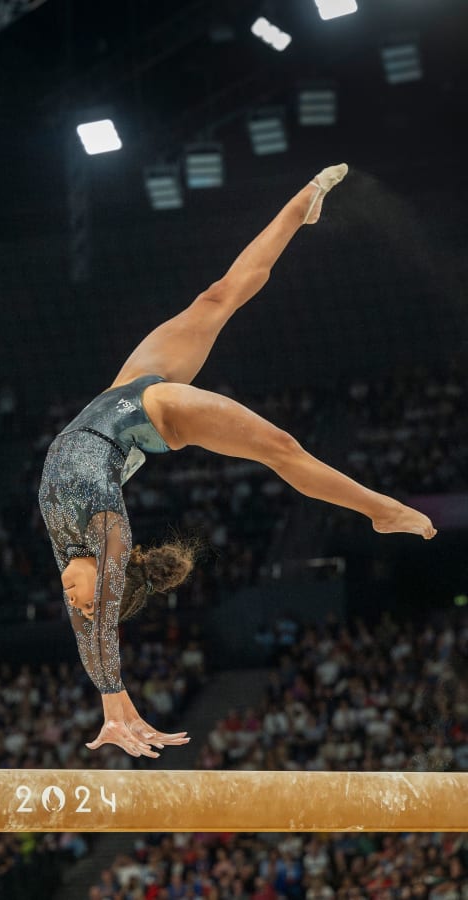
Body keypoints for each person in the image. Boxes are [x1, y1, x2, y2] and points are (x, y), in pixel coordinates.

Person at [38, 164, 436, 760]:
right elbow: (99, 631)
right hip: (155, 412)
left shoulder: (67, 544)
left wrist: (108, 688)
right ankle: (381, 511)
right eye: (89, 601)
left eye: (77, 603)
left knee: (217, 296)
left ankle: (301, 204)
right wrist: (113, 702)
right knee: (282, 449)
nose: (72, 600)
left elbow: (89, 624)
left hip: (119, 397)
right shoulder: (107, 535)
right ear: (112, 587)